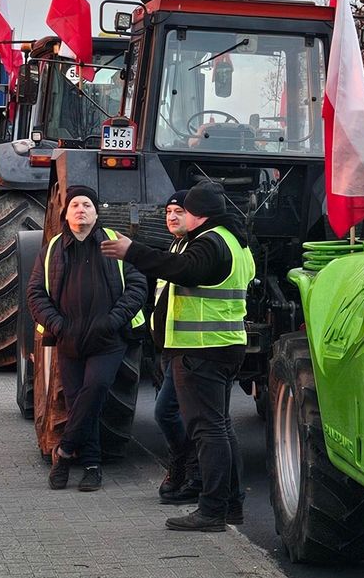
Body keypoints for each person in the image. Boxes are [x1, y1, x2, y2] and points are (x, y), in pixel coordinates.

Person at [101, 180, 254, 532]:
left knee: (209, 432)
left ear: (198, 214)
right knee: (222, 428)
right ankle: (230, 506)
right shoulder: (235, 240)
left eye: (185, 211)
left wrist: (133, 251)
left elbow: (183, 270)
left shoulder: (210, 243)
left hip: (202, 351)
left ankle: (212, 510)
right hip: (225, 346)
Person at [27, 185, 148, 492]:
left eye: (87, 205)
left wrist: (113, 320)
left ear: (97, 213)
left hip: (108, 337)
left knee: (96, 389)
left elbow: (137, 285)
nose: (81, 210)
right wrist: (58, 324)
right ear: (65, 214)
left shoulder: (115, 244)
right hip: (68, 339)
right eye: (75, 205)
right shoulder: (52, 248)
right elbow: (35, 293)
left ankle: (65, 453)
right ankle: (92, 465)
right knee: (79, 400)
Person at [152, 190, 201, 506]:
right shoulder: (176, 245)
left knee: (167, 411)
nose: (171, 216)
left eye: (179, 211)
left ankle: (186, 470)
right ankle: (186, 471)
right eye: (168, 210)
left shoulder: (196, 250)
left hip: (191, 346)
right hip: (171, 345)